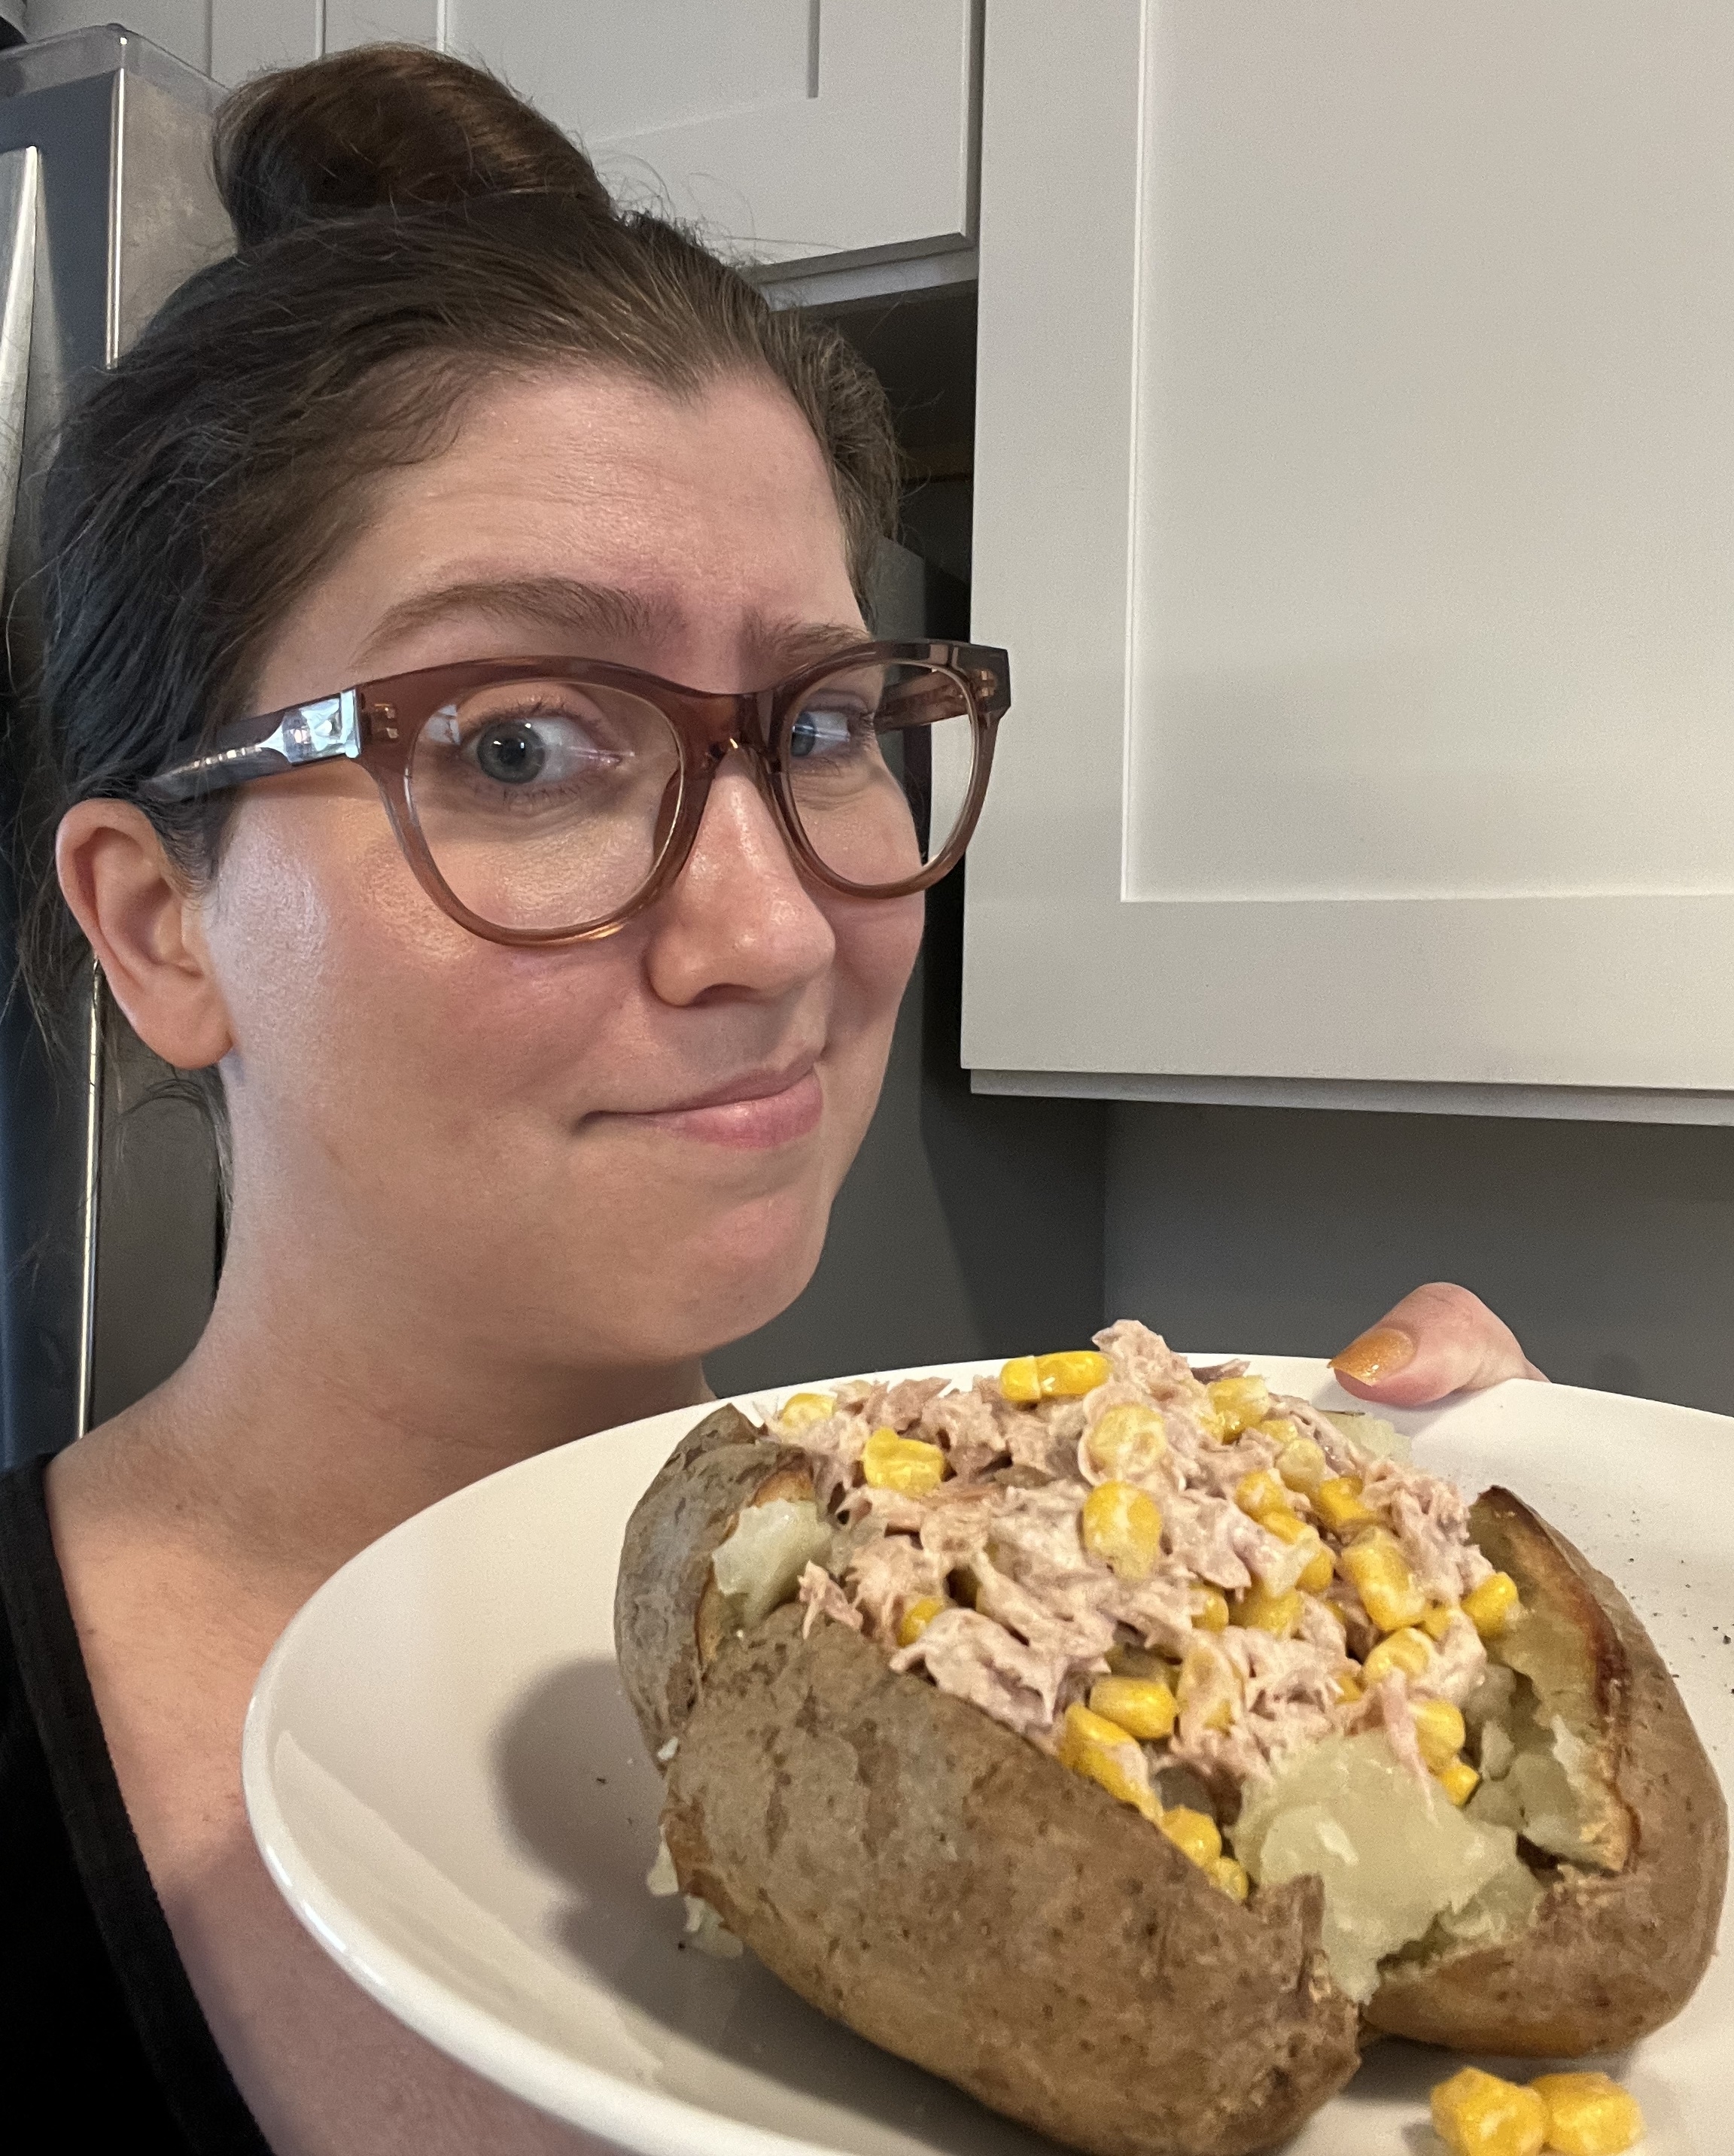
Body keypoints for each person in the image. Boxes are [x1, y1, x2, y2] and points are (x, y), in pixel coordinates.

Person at [0, 44, 1540, 2156]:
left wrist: (1409, 1651)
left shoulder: (1068, 1668)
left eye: (825, 722)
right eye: (521, 744)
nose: (781, 930)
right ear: (162, 923)